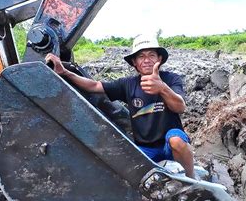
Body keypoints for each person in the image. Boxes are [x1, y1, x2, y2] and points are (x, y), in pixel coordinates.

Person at [45, 34, 195, 178]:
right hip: (145, 148)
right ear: (134, 62)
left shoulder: (171, 79)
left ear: (159, 59)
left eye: (151, 55)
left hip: (169, 146)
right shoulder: (127, 84)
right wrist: (65, 72)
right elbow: (95, 85)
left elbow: (180, 107)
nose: (147, 60)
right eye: (141, 56)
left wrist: (162, 88)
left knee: (176, 140)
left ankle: (192, 180)